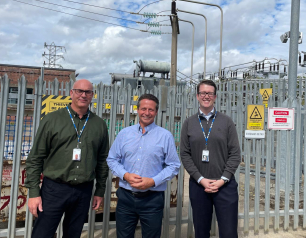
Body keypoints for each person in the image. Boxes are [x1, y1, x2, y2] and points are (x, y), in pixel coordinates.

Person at [25, 79, 109, 238]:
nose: (83, 95)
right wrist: (34, 193)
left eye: (88, 92)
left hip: (83, 191)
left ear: (92, 96)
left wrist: (100, 191)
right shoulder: (52, 120)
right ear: (71, 93)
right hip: (54, 189)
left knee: (73, 234)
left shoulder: (99, 125)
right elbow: (35, 158)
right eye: (79, 91)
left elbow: (102, 160)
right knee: (42, 233)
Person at [107, 93, 180, 238]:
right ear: (137, 109)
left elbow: (174, 165)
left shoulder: (165, 136)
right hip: (126, 198)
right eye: (143, 109)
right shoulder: (124, 134)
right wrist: (125, 175)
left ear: (156, 112)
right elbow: (112, 159)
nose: (147, 113)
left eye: (151, 110)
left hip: (152, 199)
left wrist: (153, 181)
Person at [180, 80, 241, 238]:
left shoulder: (226, 122)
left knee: (228, 233)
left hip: (225, 186)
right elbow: (185, 154)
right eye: (203, 93)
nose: (206, 96)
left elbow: (235, 154)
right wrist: (200, 179)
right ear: (197, 96)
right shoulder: (189, 123)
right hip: (199, 186)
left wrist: (222, 179)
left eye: (209, 93)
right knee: (201, 232)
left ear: (215, 96)